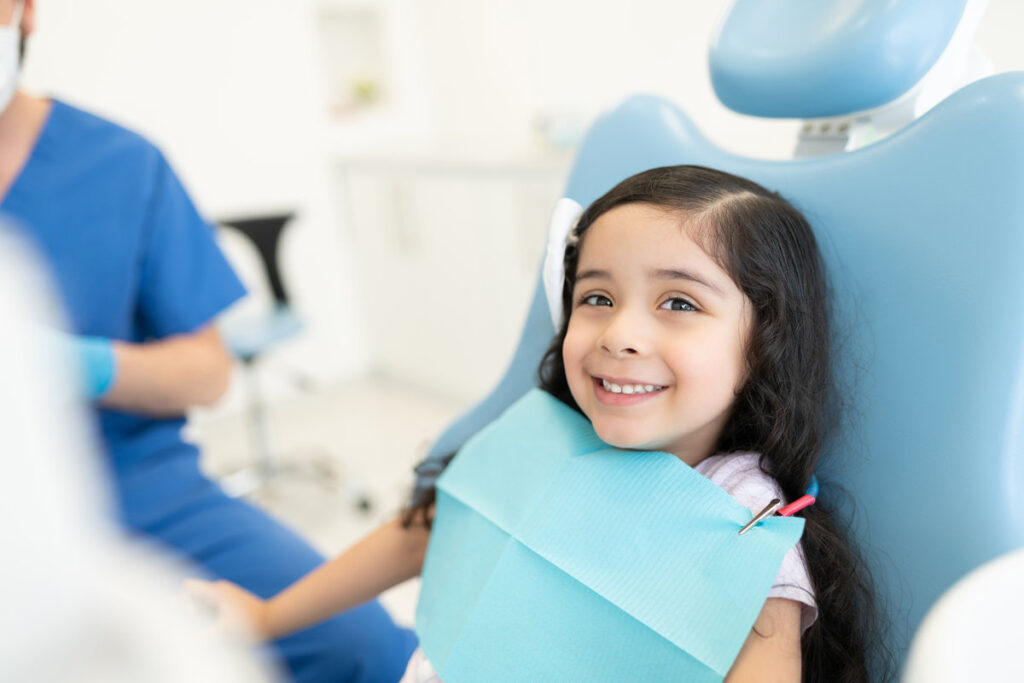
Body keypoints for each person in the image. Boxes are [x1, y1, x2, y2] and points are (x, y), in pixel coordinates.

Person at [188, 165, 889, 682]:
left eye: (678, 303)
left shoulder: (742, 528)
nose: (621, 332)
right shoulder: (548, 437)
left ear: (764, 341)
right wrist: (265, 617)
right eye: (597, 296)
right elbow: (426, 530)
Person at [0, 1, 416, 681]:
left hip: (138, 493)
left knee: (360, 647)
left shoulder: (119, 165)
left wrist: (78, 365)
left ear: (25, 12)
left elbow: (206, 372)